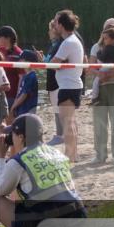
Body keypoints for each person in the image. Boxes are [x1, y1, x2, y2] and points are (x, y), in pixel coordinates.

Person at [0, 115, 86, 227]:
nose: (11, 138)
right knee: (23, 199)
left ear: (21, 137)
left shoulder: (19, 161)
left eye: (12, 135)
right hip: (79, 224)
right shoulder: (56, 153)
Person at [49, 10, 84, 162]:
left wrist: (57, 65)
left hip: (68, 86)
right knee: (71, 121)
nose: (54, 25)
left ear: (62, 25)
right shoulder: (72, 40)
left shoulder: (68, 42)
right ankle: (73, 154)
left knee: (67, 123)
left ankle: (70, 155)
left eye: (56, 22)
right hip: (72, 85)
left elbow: (52, 64)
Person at [90, 28, 114, 164]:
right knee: (99, 122)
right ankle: (100, 154)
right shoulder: (97, 47)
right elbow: (90, 66)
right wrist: (100, 75)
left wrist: (108, 75)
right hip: (101, 87)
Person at [8, 50, 40, 120]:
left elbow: (24, 95)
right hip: (22, 109)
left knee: (25, 129)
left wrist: (13, 106)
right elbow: (21, 92)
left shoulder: (31, 76)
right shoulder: (26, 75)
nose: (18, 62)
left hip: (27, 110)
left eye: (21, 59)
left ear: (27, 62)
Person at [0, 27, 23, 110]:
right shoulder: (1, 51)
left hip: (12, 96)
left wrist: (18, 98)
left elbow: (22, 77)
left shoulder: (18, 54)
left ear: (7, 38)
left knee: (9, 121)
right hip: (1, 94)